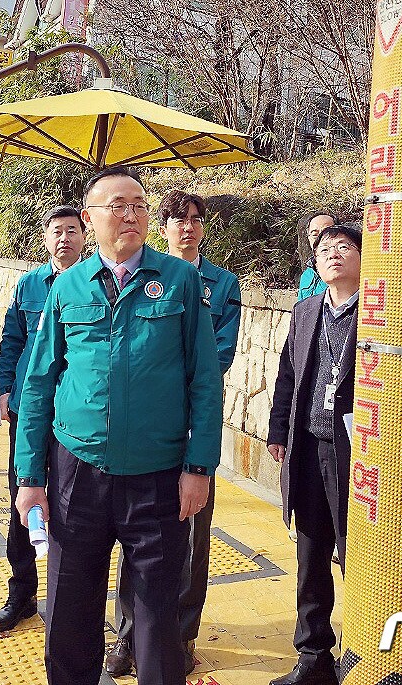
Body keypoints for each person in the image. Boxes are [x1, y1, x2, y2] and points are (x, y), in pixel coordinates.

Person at [15, 168, 223, 685]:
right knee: (69, 606)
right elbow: (39, 382)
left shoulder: (180, 280)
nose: (130, 214)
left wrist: (199, 467)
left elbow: (204, 380)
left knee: (156, 614)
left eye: (138, 204)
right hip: (76, 473)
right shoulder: (66, 286)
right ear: (88, 219)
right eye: (116, 205)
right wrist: (28, 476)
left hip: (158, 474)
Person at [109, 189, 242, 677]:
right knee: (135, 533)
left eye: (194, 220)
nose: (186, 227)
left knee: (192, 535)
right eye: (176, 219)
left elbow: (219, 354)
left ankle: (181, 633)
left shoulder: (222, 285)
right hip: (148, 425)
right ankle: (127, 634)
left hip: (192, 422)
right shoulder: (150, 275)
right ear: (161, 227)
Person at [266, 223, 362, 685]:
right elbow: (287, 375)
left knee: (358, 554)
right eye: (324, 249)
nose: (333, 255)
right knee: (311, 554)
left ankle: (361, 654)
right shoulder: (306, 311)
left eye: (344, 247)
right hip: (309, 447)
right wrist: (278, 430)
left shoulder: (383, 312)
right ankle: (313, 656)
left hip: (358, 453)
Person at [0, 204, 87, 634]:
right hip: (28, 410)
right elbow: (11, 339)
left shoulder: (94, 284)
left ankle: (71, 598)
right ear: (45, 239)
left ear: (84, 236)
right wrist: (6, 387)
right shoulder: (29, 284)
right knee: (23, 498)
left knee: (74, 505)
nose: (64, 238)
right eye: (56, 232)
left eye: (72, 231)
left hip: (74, 416)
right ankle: (22, 591)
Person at [296, 212, 337, 302]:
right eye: (315, 234)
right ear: (309, 239)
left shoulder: (343, 270)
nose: (320, 238)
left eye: (327, 232)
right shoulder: (306, 276)